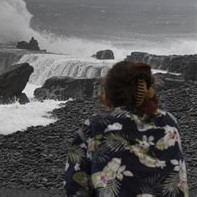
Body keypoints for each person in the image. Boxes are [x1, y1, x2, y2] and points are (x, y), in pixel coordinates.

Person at [64, 61, 188, 196]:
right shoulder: (169, 121)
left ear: (109, 93)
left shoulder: (96, 125)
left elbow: (74, 184)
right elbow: (178, 178)